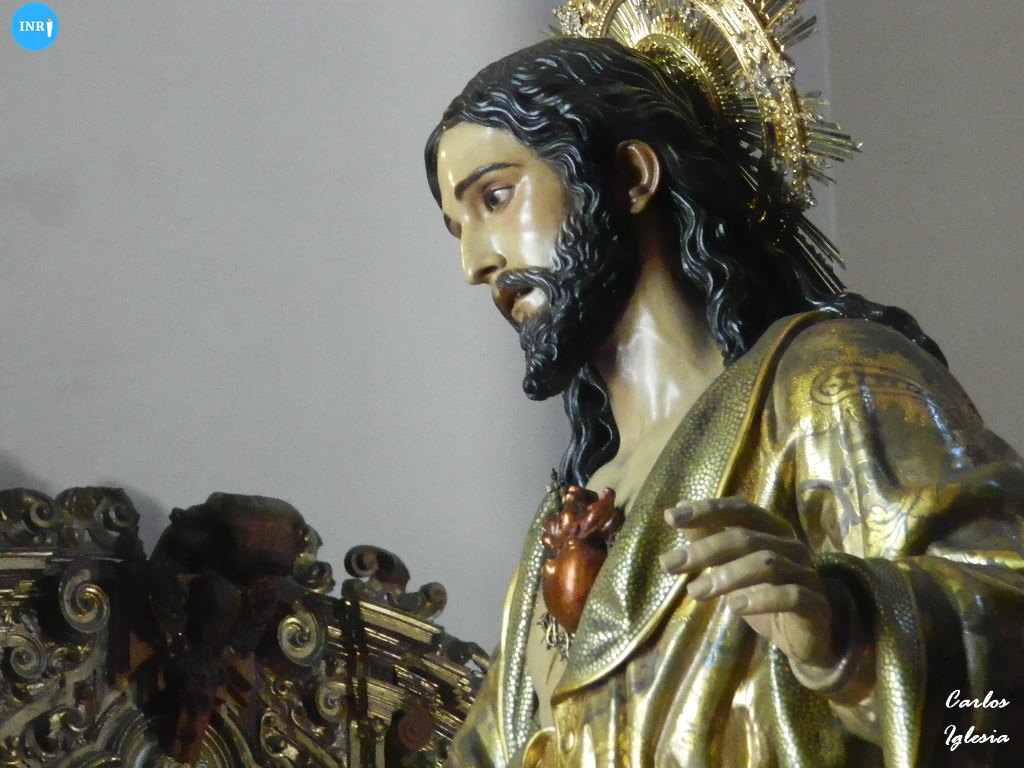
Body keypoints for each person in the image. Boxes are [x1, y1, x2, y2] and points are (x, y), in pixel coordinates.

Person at [423, 10, 1024, 768]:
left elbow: (1003, 699)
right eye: (457, 228)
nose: (475, 263)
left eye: (495, 198)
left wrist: (849, 633)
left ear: (631, 177)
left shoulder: (826, 385)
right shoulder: (566, 518)